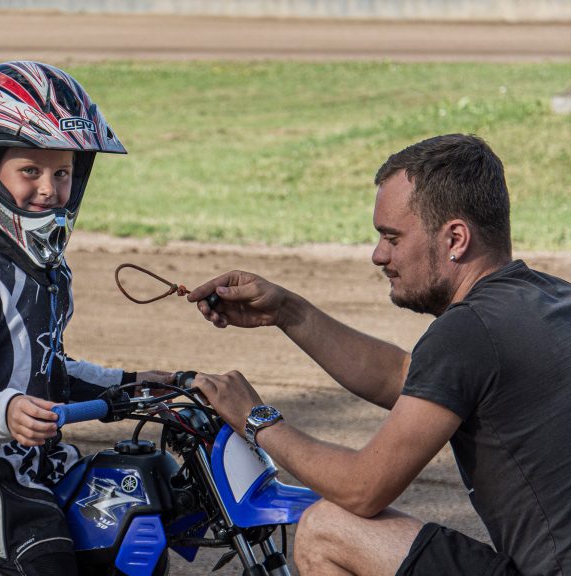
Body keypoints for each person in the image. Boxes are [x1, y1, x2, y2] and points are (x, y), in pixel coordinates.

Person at [187, 134, 570, 576]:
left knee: (328, 530)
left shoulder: (469, 331)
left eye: (392, 237)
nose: (378, 255)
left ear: (456, 239)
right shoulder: (549, 299)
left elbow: (363, 489)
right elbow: (405, 376)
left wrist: (257, 419)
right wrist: (287, 311)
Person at [0, 61, 170, 576]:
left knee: (128, 520)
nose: (48, 189)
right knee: (49, 559)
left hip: (25, 453)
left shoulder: (42, 266)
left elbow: (47, 368)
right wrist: (9, 409)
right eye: (30, 171)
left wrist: (135, 386)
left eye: (61, 173)